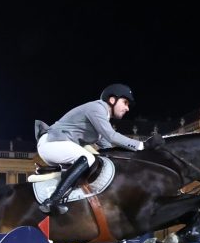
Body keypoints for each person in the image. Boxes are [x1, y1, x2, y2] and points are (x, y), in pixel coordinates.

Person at [35, 83, 144, 214]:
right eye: (125, 102)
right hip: (52, 142)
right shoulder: (97, 108)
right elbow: (112, 136)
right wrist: (142, 145)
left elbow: (108, 149)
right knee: (88, 158)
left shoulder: (101, 120)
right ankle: (52, 201)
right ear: (112, 99)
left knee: (93, 160)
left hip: (57, 146)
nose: (127, 108)